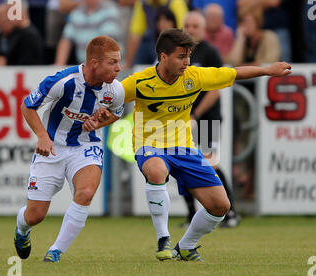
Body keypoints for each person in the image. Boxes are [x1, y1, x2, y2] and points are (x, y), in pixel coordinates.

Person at [84, 28, 290, 261]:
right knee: (156, 170)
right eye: (181, 57)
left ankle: (186, 247)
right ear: (163, 57)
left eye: (188, 56)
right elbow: (113, 108)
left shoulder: (195, 76)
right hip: (149, 145)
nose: (187, 62)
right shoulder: (139, 82)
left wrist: (267, 70)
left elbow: (234, 72)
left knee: (220, 207)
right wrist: (97, 119)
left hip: (185, 148)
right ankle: (164, 239)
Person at [13, 35, 125, 263]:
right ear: (95, 63)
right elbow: (27, 105)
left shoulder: (115, 90)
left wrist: (99, 122)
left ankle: (55, 251)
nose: (118, 68)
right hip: (52, 148)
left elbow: (116, 112)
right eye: (112, 62)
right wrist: (42, 136)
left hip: (85, 146)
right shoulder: (63, 81)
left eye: (118, 61)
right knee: (35, 216)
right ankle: (21, 229)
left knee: (85, 193)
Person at [181, 10, 240, 228]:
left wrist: (195, 114)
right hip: (183, 118)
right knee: (182, 163)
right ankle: (190, 215)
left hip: (206, 119)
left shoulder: (210, 52)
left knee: (210, 163)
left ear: (203, 29)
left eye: (195, 26)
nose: (191, 29)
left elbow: (215, 89)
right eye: (187, 25)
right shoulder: (179, 53)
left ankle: (230, 212)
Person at [123, 0, 188, 68]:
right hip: (155, 41)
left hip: (174, 42)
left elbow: (183, 32)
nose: (163, 24)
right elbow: (135, 35)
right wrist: (128, 64)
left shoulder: (175, 2)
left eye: (167, 20)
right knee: (145, 42)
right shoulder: (143, 3)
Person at [54, 0, 121, 66]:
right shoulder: (77, 11)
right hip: (87, 66)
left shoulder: (109, 10)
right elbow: (66, 40)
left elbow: (107, 43)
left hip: (107, 66)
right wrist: (59, 65)